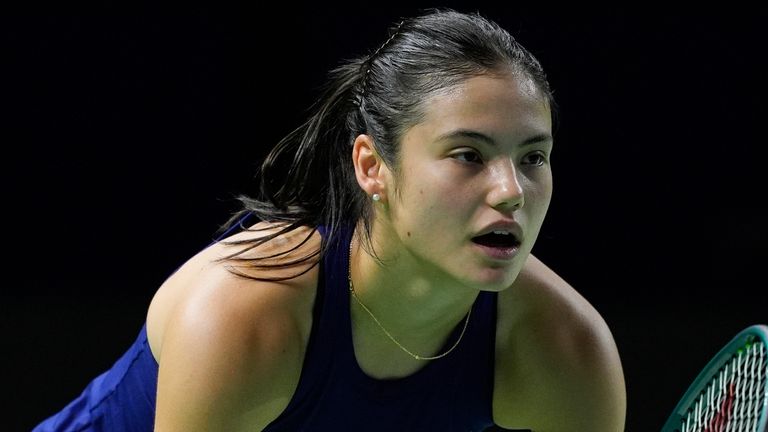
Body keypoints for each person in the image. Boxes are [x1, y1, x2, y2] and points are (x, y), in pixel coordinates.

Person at [33, 8, 626, 431]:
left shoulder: (566, 351)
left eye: (533, 158)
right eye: (468, 155)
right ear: (372, 166)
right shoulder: (242, 314)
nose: (510, 190)